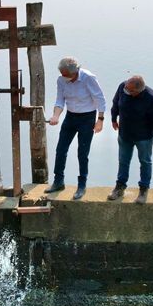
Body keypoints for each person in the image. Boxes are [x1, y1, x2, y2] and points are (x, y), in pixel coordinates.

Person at [46, 56, 107, 200]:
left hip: (87, 117)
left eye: (66, 75)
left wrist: (100, 120)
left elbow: (100, 98)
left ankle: (81, 185)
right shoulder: (61, 80)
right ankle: (58, 181)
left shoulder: (88, 78)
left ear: (75, 72)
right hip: (71, 116)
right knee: (61, 149)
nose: (64, 78)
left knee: (82, 152)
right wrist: (56, 116)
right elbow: (60, 100)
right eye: (62, 74)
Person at [108, 75, 153, 204]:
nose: (126, 91)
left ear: (138, 91)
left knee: (145, 162)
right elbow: (115, 103)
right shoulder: (123, 87)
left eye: (129, 90)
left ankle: (143, 190)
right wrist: (113, 118)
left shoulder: (150, 97)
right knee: (123, 161)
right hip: (125, 134)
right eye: (126, 88)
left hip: (143, 137)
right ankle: (120, 187)